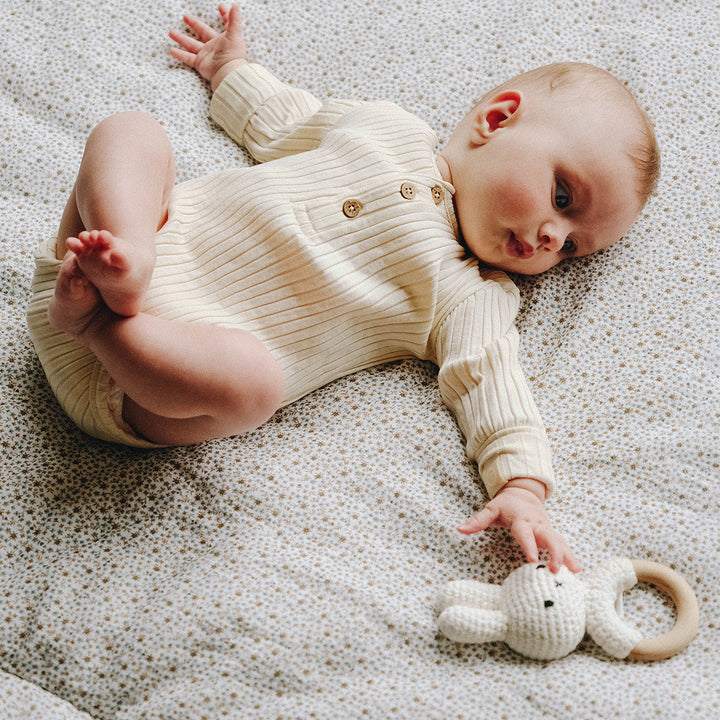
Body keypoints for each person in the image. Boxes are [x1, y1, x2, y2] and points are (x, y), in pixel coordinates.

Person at [26, 4, 659, 574]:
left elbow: (492, 381)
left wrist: (523, 486)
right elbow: (281, 122)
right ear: (497, 120)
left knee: (255, 383)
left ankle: (103, 323)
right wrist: (230, 70)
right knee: (133, 131)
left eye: (574, 246)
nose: (554, 238)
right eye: (563, 198)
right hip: (94, 261)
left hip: (139, 383)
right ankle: (129, 250)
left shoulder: (471, 293)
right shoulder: (386, 128)